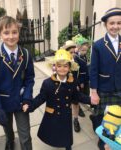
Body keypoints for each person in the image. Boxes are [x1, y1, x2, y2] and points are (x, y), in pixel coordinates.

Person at [22, 49, 97, 150]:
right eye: (59, 66)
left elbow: (77, 96)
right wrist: (30, 106)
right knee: (54, 133)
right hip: (52, 114)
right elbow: (40, 98)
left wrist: (90, 100)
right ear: (55, 67)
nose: (62, 69)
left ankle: (68, 146)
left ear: (69, 68)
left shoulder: (72, 82)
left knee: (66, 134)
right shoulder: (47, 83)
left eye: (65, 66)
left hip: (65, 114)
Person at [0, 16, 35, 150]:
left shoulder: (26, 54)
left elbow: (29, 79)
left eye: (14, 32)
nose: (10, 36)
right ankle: (10, 142)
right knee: (8, 130)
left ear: (18, 33)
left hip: (21, 102)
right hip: (3, 103)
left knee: (25, 135)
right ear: (0, 35)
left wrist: (28, 98)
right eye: (6, 33)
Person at [90, 7, 121, 150]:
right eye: (112, 23)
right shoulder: (98, 45)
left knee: (118, 117)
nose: (115, 26)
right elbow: (94, 70)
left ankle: (116, 141)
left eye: (119, 23)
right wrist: (94, 92)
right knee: (104, 117)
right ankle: (103, 141)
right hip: (104, 88)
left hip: (120, 88)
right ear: (105, 25)